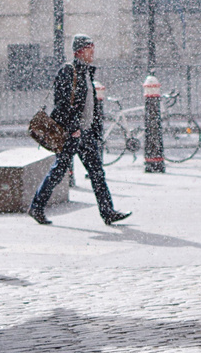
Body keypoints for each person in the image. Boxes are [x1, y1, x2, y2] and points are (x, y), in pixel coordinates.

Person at [30, 34, 130, 225]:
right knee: (59, 171)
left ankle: (108, 212)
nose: (93, 51)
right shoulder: (68, 71)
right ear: (79, 51)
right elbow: (62, 104)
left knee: (96, 172)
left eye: (93, 46)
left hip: (84, 133)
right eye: (89, 47)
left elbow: (88, 105)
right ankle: (36, 207)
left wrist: (92, 129)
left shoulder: (86, 72)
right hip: (72, 133)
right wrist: (73, 127)